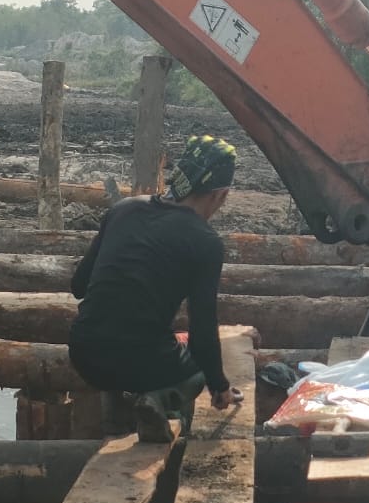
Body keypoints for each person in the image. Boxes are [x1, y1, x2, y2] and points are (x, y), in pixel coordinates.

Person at [68, 134, 245, 442]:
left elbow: (78, 286)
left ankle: (116, 427)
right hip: (141, 359)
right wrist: (220, 386)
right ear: (220, 194)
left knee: (122, 348)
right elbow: (203, 335)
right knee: (198, 370)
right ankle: (160, 404)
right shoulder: (205, 241)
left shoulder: (123, 209)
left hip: (83, 352)